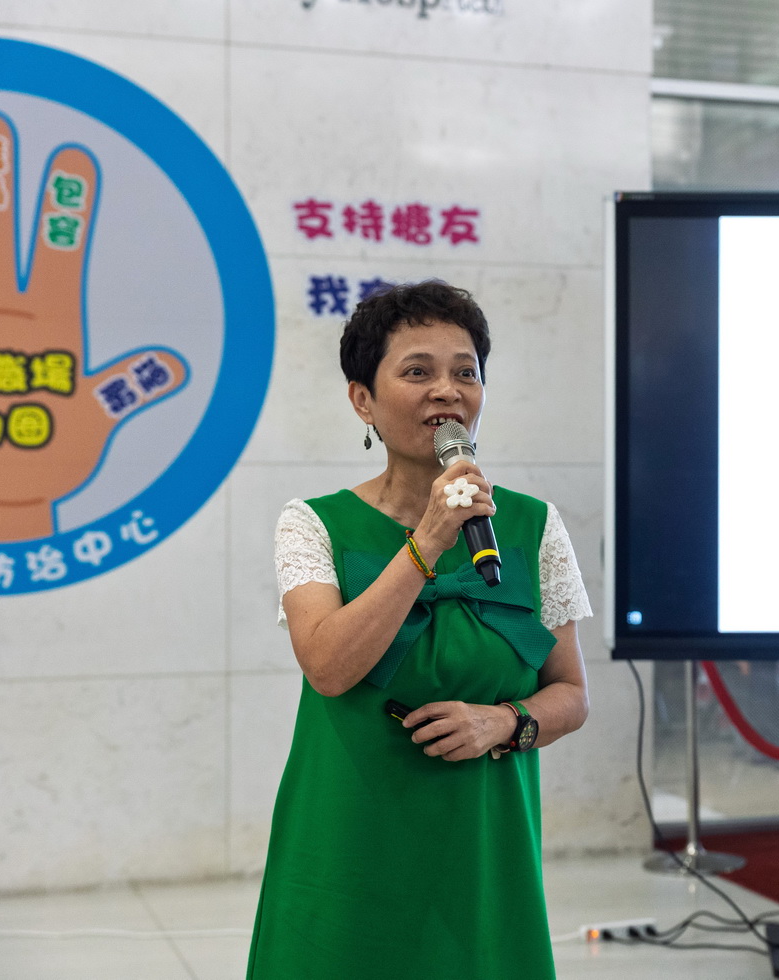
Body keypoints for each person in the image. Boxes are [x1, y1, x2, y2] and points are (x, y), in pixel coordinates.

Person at [247, 280, 591, 979]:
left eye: (466, 372)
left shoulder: (532, 525)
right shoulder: (312, 523)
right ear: (362, 400)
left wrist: (504, 722)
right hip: (349, 842)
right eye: (417, 372)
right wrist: (428, 540)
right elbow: (328, 666)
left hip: (485, 848)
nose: (447, 391)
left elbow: (572, 695)